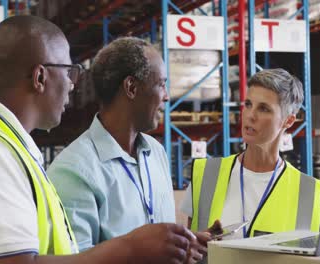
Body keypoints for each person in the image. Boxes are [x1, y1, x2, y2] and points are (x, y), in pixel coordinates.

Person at [0, 15, 199, 264]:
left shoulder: (8, 147)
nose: (73, 85)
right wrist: (130, 248)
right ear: (40, 77)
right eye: (69, 72)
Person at [47, 37, 209, 261]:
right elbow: (75, 260)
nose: (167, 96)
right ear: (131, 87)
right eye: (161, 84)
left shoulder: (156, 152)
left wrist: (184, 247)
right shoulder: (73, 172)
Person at [180, 68, 320, 239]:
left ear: (288, 121)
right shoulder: (206, 175)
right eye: (248, 104)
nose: (250, 115)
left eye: (264, 109)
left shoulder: (311, 193)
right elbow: (190, 252)